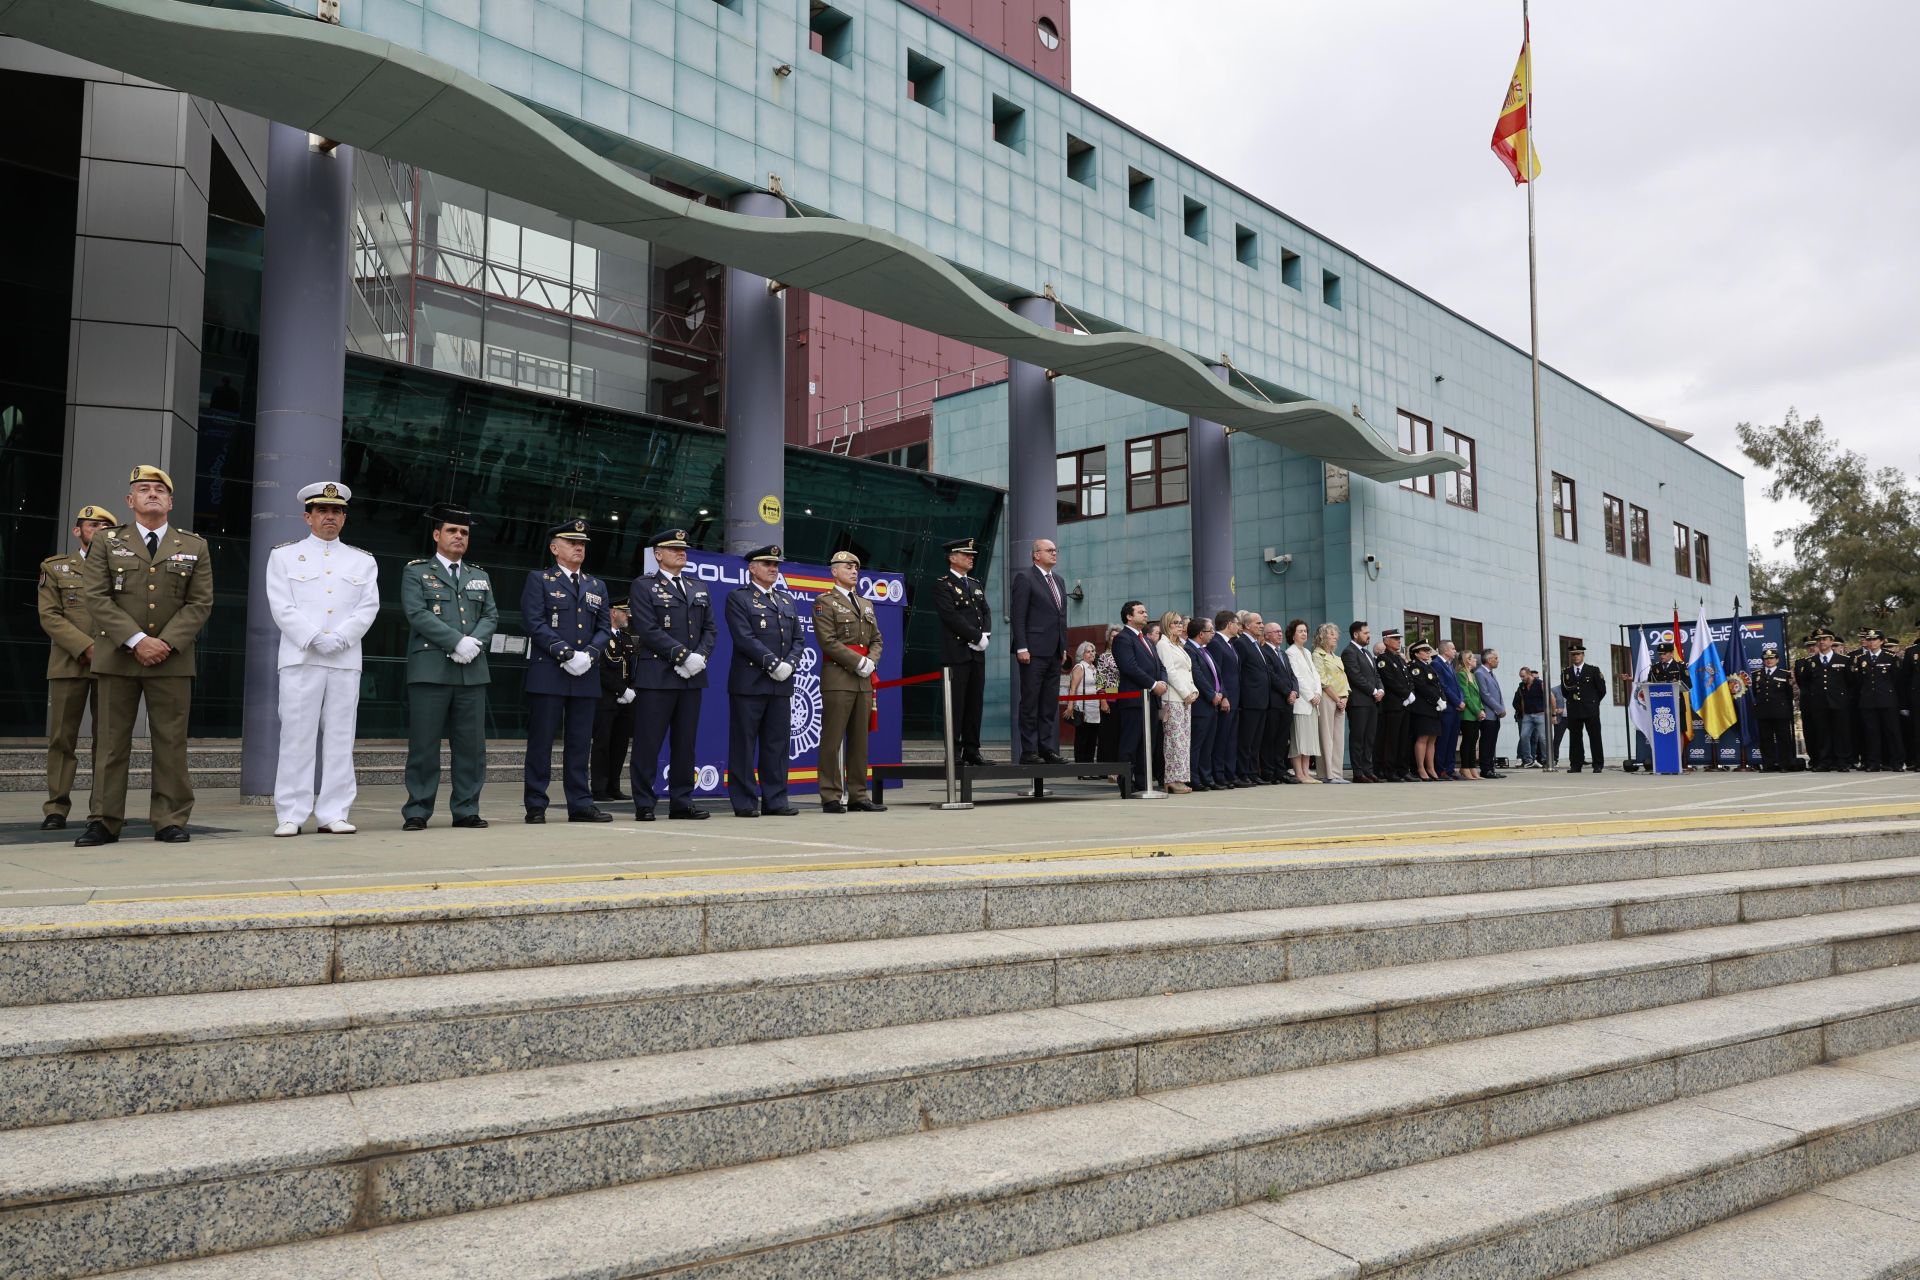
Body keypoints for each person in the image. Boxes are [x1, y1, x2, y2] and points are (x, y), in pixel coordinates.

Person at [74, 465, 213, 847]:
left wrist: (164, 643)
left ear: (170, 501)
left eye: (159, 490)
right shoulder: (106, 542)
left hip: (172, 659)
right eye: (143, 489)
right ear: (129, 500)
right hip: (118, 657)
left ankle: (169, 818)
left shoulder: (194, 546)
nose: (152, 494)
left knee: (170, 742)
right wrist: (136, 640)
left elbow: (200, 603)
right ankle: (103, 820)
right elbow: (96, 597)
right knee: (111, 741)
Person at [264, 481, 380, 837]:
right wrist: (314, 638)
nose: (330, 517)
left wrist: (341, 638)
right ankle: (291, 813)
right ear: (308, 517)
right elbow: (281, 605)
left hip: (344, 659)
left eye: (337, 512)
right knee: (296, 737)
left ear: (343, 518)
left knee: (341, 738)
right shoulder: (283, 555)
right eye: (322, 511)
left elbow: (368, 606)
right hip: (301, 657)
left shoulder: (362, 560)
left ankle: (334, 812)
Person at [401, 504, 497, 831]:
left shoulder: (479, 576)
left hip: (472, 671)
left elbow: (490, 616)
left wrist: (473, 644)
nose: (459, 537)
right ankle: (417, 809)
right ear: (436, 534)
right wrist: (456, 641)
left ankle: (467, 808)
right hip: (430, 671)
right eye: (452, 531)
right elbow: (417, 613)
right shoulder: (416, 572)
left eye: (464, 533)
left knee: (471, 748)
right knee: (424, 746)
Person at [521, 518, 614, 824]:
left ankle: (580, 803)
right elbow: (535, 623)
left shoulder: (596, 585)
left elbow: (604, 627)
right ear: (554, 547)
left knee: (579, 743)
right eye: (572, 542)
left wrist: (588, 654)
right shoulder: (540, 580)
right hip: (549, 671)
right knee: (541, 742)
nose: (579, 547)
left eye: (583, 544)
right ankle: (536, 804)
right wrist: (565, 653)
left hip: (585, 673)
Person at [629, 527, 717, 820]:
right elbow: (647, 628)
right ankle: (644, 802)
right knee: (648, 742)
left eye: (684, 549)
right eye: (674, 548)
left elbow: (710, 629)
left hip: (691, 677)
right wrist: (682, 656)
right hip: (658, 675)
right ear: (658, 554)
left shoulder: (698, 586)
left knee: (685, 743)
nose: (682, 552)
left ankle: (682, 801)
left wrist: (699, 657)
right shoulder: (644, 586)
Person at [37, 503, 114, 830]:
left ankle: (101, 809)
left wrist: (104, 650)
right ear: (77, 530)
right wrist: (85, 647)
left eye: (102, 527)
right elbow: (49, 616)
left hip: (110, 665)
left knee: (107, 742)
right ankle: (56, 808)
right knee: (61, 739)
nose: (95, 530)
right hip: (69, 664)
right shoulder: (56, 568)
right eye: (89, 525)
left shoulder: (119, 570)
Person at [725, 545, 807, 816]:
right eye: (767, 564)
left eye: (776, 565)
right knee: (744, 745)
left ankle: (776, 799)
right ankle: (746, 801)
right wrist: (773, 664)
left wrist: (789, 665)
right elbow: (744, 637)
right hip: (750, 682)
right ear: (752, 568)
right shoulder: (739, 598)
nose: (774, 568)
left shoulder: (785, 600)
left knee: (777, 744)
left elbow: (798, 638)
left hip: (781, 683)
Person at [814, 549, 887, 813]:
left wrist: (872, 661)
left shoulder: (866, 604)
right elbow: (828, 641)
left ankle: (858, 794)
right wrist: (858, 662)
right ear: (834, 571)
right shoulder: (824, 602)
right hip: (838, 677)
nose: (854, 571)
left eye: (856, 567)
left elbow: (876, 639)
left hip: (863, 680)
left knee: (860, 740)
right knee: (832, 740)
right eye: (847, 567)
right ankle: (831, 795)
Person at [1009, 538, 1069, 764]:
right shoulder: (1025, 578)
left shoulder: (1059, 581)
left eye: (1056, 549)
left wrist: (1063, 647)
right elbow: (1018, 615)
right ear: (1036, 555)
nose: (1054, 553)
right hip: (1032, 651)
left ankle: (1047, 748)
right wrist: (1021, 646)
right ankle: (1029, 750)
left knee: (1049, 703)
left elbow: (1061, 617)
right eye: (1049, 550)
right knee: (1030, 702)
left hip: (1054, 651)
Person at [934, 536, 992, 766]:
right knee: (956, 704)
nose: (970, 558)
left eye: (972, 556)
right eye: (966, 555)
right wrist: (975, 636)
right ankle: (954, 752)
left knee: (974, 703)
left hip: (977, 653)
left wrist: (984, 636)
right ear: (952, 557)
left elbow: (986, 613)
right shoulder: (943, 584)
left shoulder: (975, 584)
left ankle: (972, 749)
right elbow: (950, 616)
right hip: (957, 652)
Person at [1115, 600, 1169, 793]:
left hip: (1150, 702)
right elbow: (1129, 667)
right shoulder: (1123, 639)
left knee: (1147, 747)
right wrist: (1153, 684)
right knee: (1131, 744)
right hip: (1134, 701)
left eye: (1146, 612)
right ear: (1129, 616)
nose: (1146, 615)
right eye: (1141, 612)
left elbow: (1160, 666)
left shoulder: (1146, 640)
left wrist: (1161, 682)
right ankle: (1126, 784)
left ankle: (1143, 784)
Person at [591, 602, 637, 801]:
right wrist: (621, 689)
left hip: (626, 701)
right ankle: (599, 788)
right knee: (603, 744)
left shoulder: (626, 638)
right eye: (624, 613)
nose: (628, 616)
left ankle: (614, 786)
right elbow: (600, 669)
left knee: (620, 744)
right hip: (605, 699)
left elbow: (633, 667)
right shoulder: (600, 636)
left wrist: (631, 690)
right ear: (613, 613)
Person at [1156, 611, 1196, 793]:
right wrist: (1185, 692)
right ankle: (1171, 779)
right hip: (1172, 698)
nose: (1180, 626)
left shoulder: (1179, 645)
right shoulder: (1163, 645)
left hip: (1184, 699)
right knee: (1174, 741)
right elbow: (1170, 672)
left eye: (1181, 623)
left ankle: (1180, 777)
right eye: (1176, 623)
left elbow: (1187, 671)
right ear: (1167, 624)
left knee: (1184, 740)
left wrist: (1193, 691)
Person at [1230, 611, 1271, 786]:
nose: (1262, 626)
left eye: (1262, 623)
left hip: (1262, 699)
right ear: (1247, 626)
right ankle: (1243, 772)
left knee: (1256, 741)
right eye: (1258, 623)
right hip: (1249, 700)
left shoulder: (1256, 645)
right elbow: (1240, 671)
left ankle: (1253, 772)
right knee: (1246, 740)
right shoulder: (1241, 643)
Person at [1800, 630, 1851, 771]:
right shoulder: (1810, 662)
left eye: (1825, 639)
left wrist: (1844, 699)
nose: (1822, 642)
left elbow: (1851, 682)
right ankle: (1824, 761)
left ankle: (1842, 762)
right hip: (1819, 703)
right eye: (1819, 639)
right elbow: (1804, 683)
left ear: (1831, 641)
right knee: (1822, 734)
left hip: (1839, 703)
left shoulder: (1843, 660)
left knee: (1841, 733)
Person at [1854, 629, 1904, 771]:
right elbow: (1858, 682)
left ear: (1882, 641)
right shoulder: (1861, 659)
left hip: (1887, 700)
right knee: (1871, 733)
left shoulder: (1891, 657)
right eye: (1869, 640)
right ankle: (1874, 763)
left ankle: (1897, 762)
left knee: (1892, 732)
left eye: (1875, 639)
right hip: (1868, 701)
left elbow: (1897, 681)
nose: (1871, 642)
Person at [1342, 621, 1384, 783]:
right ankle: (1358, 772)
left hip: (1372, 702)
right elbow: (1355, 676)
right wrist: (1373, 691)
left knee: (1369, 738)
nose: (1369, 636)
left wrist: (1380, 689)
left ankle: (1368, 770)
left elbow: (1376, 676)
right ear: (1355, 634)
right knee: (1358, 738)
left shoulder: (1366, 654)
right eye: (1365, 633)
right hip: (1359, 703)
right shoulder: (1349, 652)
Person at [1260, 621, 1301, 783]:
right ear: (1267, 635)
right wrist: (1286, 692)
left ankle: (1280, 769)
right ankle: (1269, 771)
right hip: (1275, 701)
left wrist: (1295, 691)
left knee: (1283, 739)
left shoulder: (1283, 653)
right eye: (1275, 631)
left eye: (1280, 631)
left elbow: (1292, 675)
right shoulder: (1264, 652)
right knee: (1271, 738)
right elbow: (1272, 676)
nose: (1280, 634)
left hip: (1288, 702)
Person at [1186, 616, 1223, 790]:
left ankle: (1206, 777)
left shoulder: (1204, 650)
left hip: (1213, 703)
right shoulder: (1189, 650)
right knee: (1198, 744)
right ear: (1201, 633)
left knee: (1209, 744)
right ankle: (1194, 778)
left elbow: (1216, 674)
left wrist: (1220, 692)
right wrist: (1211, 694)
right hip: (1201, 703)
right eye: (1211, 630)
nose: (1213, 633)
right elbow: (1197, 675)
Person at [1283, 619, 1321, 784]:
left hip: (1313, 702)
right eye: (1300, 631)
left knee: (1309, 740)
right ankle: (1299, 773)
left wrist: (1318, 693)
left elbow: (1315, 676)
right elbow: (1297, 677)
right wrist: (1310, 695)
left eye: (1305, 631)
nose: (1304, 633)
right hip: (1302, 702)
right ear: (1292, 635)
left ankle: (1306, 772)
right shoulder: (1290, 653)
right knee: (1299, 739)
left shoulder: (1307, 652)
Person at [1206, 611, 1242, 788]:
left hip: (1236, 699)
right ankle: (1218, 774)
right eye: (1237, 623)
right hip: (1226, 699)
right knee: (1222, 739)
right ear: (1229, 624)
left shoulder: (1230, 644)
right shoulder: (1216, 644)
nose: (1238, 627)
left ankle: (1230, 773)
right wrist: (1225, 696)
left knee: (1231, 739)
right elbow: (1217, 674)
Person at [1312, 623, 1351, 782]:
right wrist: (1337, 699)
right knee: (1326, 736)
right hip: (1328, 698)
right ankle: (1326, 773)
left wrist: (1345, 698)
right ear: (1322, 637)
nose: (1335, 638)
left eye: (1336, 635)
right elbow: (1322, 680)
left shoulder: (1337, 657)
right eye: (1331, 634)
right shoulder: (1317, 655)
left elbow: (1344, 680)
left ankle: (1336, 773)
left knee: (1338, 738)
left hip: (1340, 699)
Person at [1560, 644, 1608, 772]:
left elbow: (1602, 690)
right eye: (1573, 654)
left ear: (1583, 655)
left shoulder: (1593, 670)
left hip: (1590, 709)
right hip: (1574, 709)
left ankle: (1597, 764)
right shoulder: (1566, 672)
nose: (1576, 657)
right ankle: (1576, 764)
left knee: (1595, 737)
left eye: (1578, 654)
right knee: (1575, 737)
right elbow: (1565, 691)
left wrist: (1593, 703)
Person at [1752, 645, 1796, 772]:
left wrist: (1788, 711)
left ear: (1777, 660)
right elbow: (1754, 693)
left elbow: (1789, 695)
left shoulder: (1785, 674)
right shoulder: (1756, 675)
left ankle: (1784, 764)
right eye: (1766, 658)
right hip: (1763, 711)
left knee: (1783, 739)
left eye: (1772, 658)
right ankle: (1768, 764)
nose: (1769, 661)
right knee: (1766, 739)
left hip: (1780, 712)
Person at [1375, 628, 1412, 782]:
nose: (1398, 641)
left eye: (1399, 638)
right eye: (1395, 638)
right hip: (1393, 704)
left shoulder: (1400, 659)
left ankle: (1402, 769)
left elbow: (1409, 678)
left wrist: (1410, 693)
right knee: (1392, 740)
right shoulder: (1383, 659)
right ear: (1386, 641)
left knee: (1404, 739)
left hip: (1405, 704)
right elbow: (1390, 681)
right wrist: (1405, 694)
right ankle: (1390, 770)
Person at [1408, 640, 1445, 781]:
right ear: (1416, 653)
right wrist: (1437, 699)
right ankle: (1420, 768)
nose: (1428, 652)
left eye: (1429, 650)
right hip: (1423, 707)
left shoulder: (1429, 667)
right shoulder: (1415, 667)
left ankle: (1430, 768)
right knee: (1422, 738)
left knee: (1432, 739)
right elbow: (1422, 686)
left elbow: (1437, 686)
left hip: (1433, 708)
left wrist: (1443, 699)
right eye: (1424, 650)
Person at [1067, 640, 1105, 773]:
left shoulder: (1095, 668)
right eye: (1088, 652)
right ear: (1082, 654)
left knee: (1092, 739)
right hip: (1083, 709)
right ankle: (1081, 769)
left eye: (1093, 651)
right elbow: (1073, 688)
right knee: (1082, 739)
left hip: (1095, 709)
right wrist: (1070, 706)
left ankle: (1089, 769)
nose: (1091, 654)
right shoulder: (1080, 667)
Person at [1434, 640, 1465, 780]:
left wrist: (1461, 700)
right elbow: (1443, 686)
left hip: (1456, 709)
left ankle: (1450, 768)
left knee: (1453, 740)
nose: (1455, 651)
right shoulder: (1437, 664)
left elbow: (1457, 686)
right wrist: (1457, 701)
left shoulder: (1450, 665)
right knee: (1444, 740)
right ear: (1445, 650)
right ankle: (1441, 769)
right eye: (1452, 648)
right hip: (1447, 708)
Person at [1475, 648, 1508, 778]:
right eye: (1496, 658)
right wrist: (1499, 709)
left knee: (1492, 742)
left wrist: (1501, 708)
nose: (1498, 661)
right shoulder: (1480, 673)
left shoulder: (1490, 673)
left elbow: (1497, 694)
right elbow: (1485, 695)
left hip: (1495, 714)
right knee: (1487, 742)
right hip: (1488, 714)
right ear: (1489, 660)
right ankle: (1485, 769)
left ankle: (1490, 768)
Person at [1095, 625, 1124, 768]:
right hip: (1110, 697)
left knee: (1121, 734)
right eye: (1113, 636)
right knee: (1109, 734)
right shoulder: (1104, 657)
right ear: (1108, 638)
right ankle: (1108, 767)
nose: (1116, 638)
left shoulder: (1125, 654)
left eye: (1118, 636)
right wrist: (1103, 701)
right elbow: (1100, 680)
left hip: (1125, 697)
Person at [1456, 650, 1484, 781]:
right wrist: (1477, 711)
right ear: (1467, 660)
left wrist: (1481, 709)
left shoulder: (1472, 674)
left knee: (1474, 741)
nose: (1476, 660)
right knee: (1467, 741)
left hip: (1476, 713)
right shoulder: (1462, 674)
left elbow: (1477, 696)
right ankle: (1465, 767)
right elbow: (1466, 696)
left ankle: (1472, 766)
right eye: (1473, 658)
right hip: (1467, 714)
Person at [1515, 667, 1549, 769]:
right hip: (1528, 716)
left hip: (1540, 714)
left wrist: (1552, 714)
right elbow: (1522, 701)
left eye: (1523, 676)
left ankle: (1546, 759)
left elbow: (1550, 697)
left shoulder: (1540, 683)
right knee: (1524, 736)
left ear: (1529, 674)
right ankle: (1528, 760)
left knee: (1543, 739)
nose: (1522, 678)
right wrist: (1524, 713)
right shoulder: (1522, 686)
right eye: (1520, 676)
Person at [1905, 630, 1920, 771]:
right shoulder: (1911, 651)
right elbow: (1905, 679)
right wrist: (1904, 704)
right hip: (1917, 698)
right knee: (1917, 731)